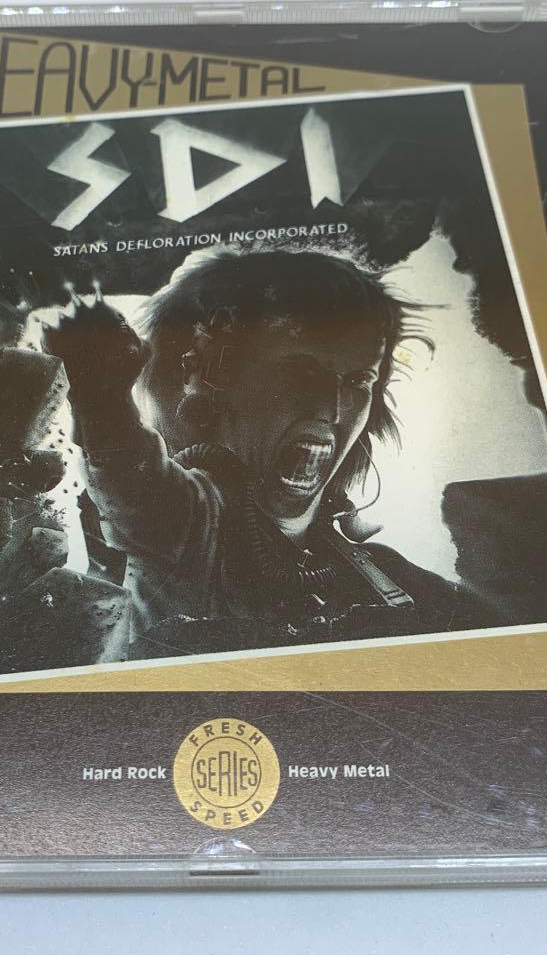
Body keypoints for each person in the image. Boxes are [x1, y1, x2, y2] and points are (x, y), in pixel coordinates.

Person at [44, 247, 477, 657]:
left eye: (359, 380)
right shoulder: (187, 527)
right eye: (301, 373)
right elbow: (134, 482)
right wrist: (102, 396)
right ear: (220, 381)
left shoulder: (385, 575)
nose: (331, 409)